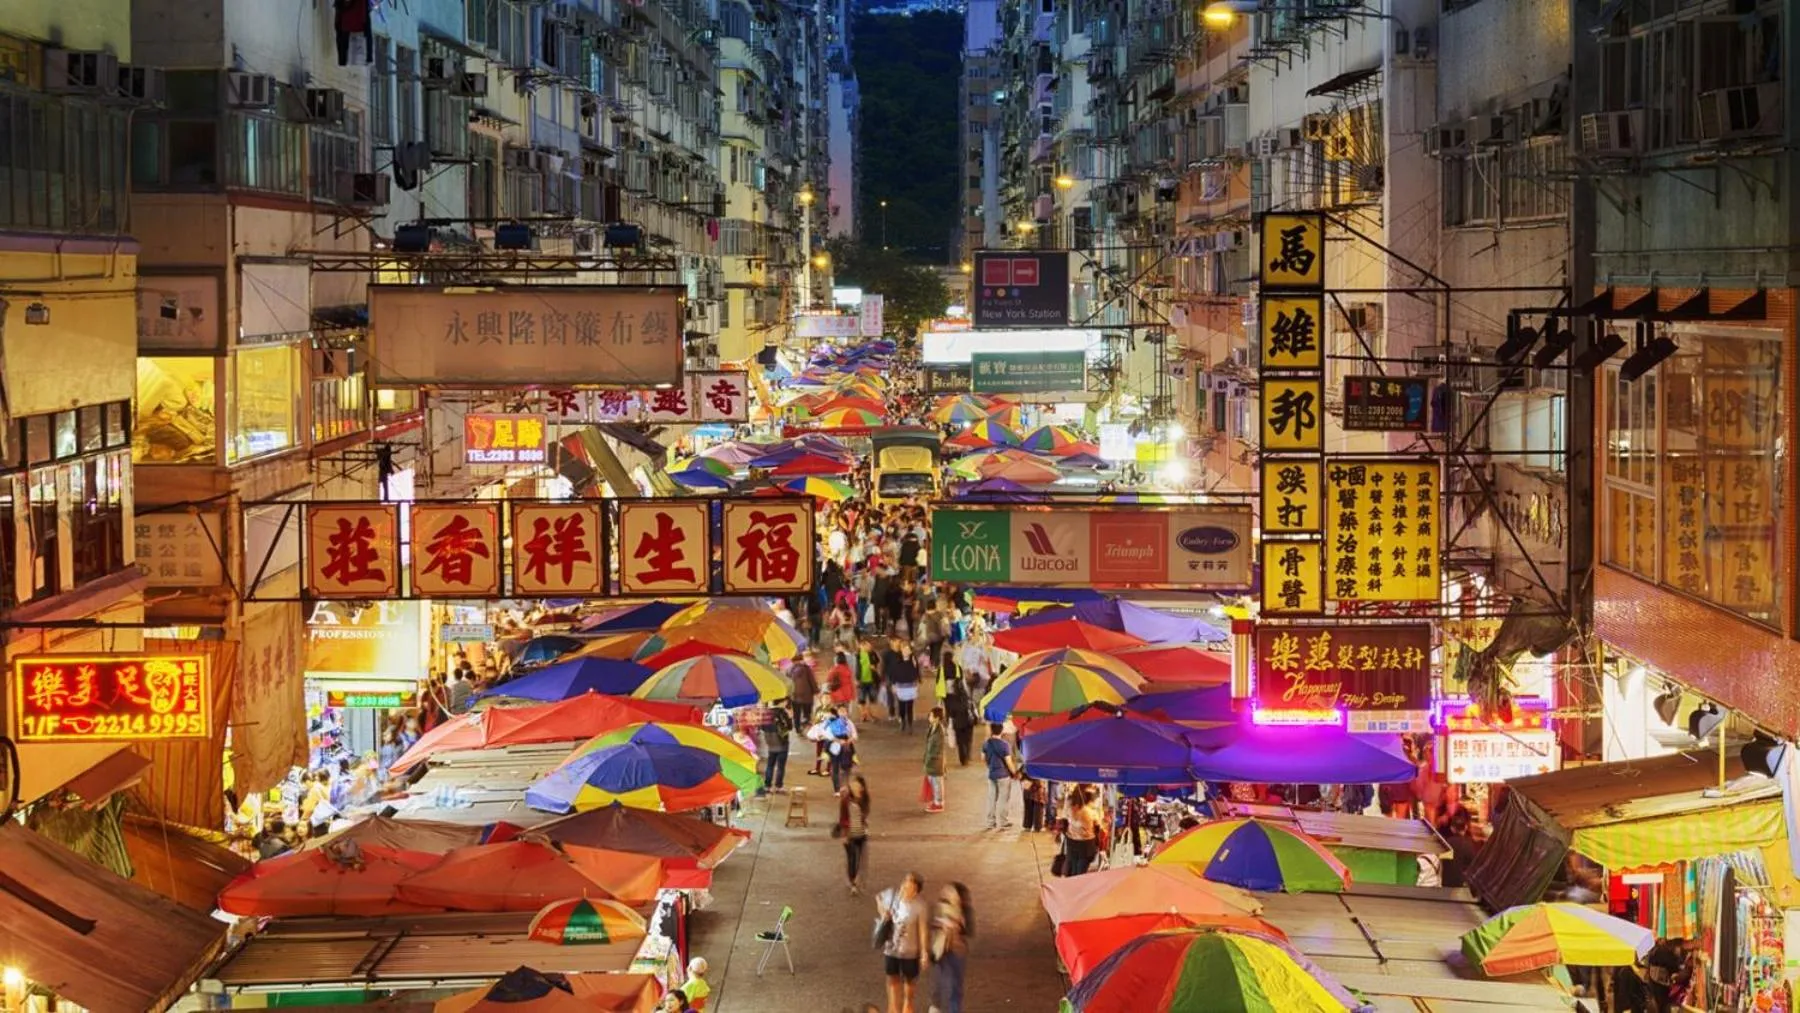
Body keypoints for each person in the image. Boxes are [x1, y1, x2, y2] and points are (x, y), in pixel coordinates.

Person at [876, 871, 931, 1013]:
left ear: (916, 891)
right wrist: (883, 913)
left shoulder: (920, 905)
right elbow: (878, 898)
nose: (905, 889)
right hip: (891, 948)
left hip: (910, 952)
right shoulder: (893, 896)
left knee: (909, 981)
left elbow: (923, 930)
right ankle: (893, 1007)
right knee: (892, 979)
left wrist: (924, 952)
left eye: (909, 887)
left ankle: (908, 1004)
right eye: (904, 885)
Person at [929, 882, 973, 1013]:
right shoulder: (939, 908)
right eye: (948, 892)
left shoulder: (965, 911)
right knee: (938, 984)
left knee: (956, 986)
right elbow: (930, 924)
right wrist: (942, 925)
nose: (949, 894)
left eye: (952, 892)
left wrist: (958, 924)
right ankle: (936, 1008)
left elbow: (969, 931)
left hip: (957, 952)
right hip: (941, 951)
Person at [839, 774, 872, 894]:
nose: (854, 787)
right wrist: (844, 834)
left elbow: (865, 815)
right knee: (852, 859)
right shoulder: (846, 800)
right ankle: (853, 883)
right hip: (850, 835)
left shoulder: (864, 799)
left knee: (860, 860)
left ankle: (857, 881)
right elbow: (842, 818)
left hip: (861, 833)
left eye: (857, 785)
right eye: (853, 785)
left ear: (862, 787)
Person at [982, 723, 1017, 831]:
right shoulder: (1004, 745)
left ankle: (990, 822)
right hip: (1003, 775)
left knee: (991, 799)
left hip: (992, 775)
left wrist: (990, 766)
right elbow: (1008, 762)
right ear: (1001, 731)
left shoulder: (986, 744)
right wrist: (1014, 772)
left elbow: (983, 758)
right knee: (1003, 799)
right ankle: (1003, 822)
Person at [1062, 785, 1103, 875]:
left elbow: (1064, 822)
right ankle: (1077, 886)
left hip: (1071, 841)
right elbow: (1098, 827)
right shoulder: (1091, 812)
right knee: (1081, 870)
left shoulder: (1070, 808)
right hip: (1086, 844)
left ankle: (1072, 885)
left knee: (1073, 865)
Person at [885, 637, 921, 733]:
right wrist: (893, 685)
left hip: (911, 685)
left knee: (910, 706)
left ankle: (910, 724)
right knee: (901, 706)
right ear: (901, 650)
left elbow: (916, 672)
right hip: (900, 685)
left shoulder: (913, 660)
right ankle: (903, 722)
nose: (906, 651)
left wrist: (917, 683)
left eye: (907, 649)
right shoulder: (897, 660)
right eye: (904, 649)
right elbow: (893, 673)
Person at [759, 703, 793, 796]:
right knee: (780, 766)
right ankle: (778, 786)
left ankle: (767, 786)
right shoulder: (782, 713)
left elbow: (761, 727)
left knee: (770, 765)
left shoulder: (766, 713)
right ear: (782, 702)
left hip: (770, 743)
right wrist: (790, 717)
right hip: (781, 743)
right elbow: (789, 727)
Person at [922, 707, 947, 813]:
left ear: (937, 718)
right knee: (933, 781)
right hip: (930, 760)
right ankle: (936, 801)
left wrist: (931, 757)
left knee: (937, 782)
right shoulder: (932, 727)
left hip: (935, 761)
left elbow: (938, 748)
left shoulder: (939, 731)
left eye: (931, 715)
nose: (929, 717)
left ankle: (938, 803)